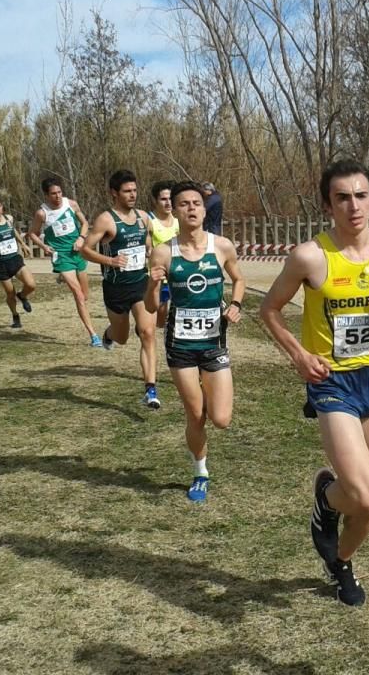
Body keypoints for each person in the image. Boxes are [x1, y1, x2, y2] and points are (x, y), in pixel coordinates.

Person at [259, 160, 369, 606]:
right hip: (333, 380)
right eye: (342, 197)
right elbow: (269, 310)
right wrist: (299, 355)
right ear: (327, 204)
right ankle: (338, 555)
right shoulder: (310, 257)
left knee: (367, 500)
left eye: (361, 195)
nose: (354, 206)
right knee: (368, 495)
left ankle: (335, 540)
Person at [150, 181, 245, 502]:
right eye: (183, 204)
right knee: (195, 415)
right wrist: (153, 285)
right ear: (174, 211)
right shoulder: (164, 252)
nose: (191, 208)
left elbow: (239, 279)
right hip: (180, 346)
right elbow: (152, 307)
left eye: (196, 203)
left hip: (214, 342)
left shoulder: (222, 247)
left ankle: (208, 390)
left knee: (221, 419)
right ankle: (200, 472)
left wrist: (235, 305)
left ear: (205, 210)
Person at [81, 170, 161, 407]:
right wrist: (110, 261)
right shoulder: (106, 219)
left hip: (140, 284)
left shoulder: (143, 217)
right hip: (115, 288)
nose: (132, 195)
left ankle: (151, 390)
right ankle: (108, 334)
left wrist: (149, 251)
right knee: (123, 337)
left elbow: (146, 241)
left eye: (135, 190)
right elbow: (85, 249)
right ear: (114, 193)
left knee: (147, 333)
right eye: (127, 191)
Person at [29, 176, 102, 347]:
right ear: (46, 195)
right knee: (78, 295)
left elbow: (84, 223)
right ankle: (93, 335)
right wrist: (44, 246)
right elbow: (32, 233)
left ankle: (63, 277)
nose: (58, 196)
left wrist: (81, 238)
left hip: (77, 252)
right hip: (61, 256)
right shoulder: (42, 213)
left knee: (85, 295)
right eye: (53, 193)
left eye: (60, 192)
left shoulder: (72, 204)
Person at [0, 194, 36, 329]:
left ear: (2, 206)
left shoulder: (9, 218)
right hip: (0, 263)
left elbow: (13, 231)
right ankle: (15, 315)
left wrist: (23, 244)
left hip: (15, 258)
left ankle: (23, 296)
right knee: (10, 293)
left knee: (31, 284)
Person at [149, 180, 180, 328]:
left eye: (170, 199)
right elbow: (147, 250)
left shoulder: (178, 221)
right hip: (158, 277)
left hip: (177, 274)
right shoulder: (149, 221)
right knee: (160, 315)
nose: (168, 203)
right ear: (155, 201)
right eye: (163, 199)